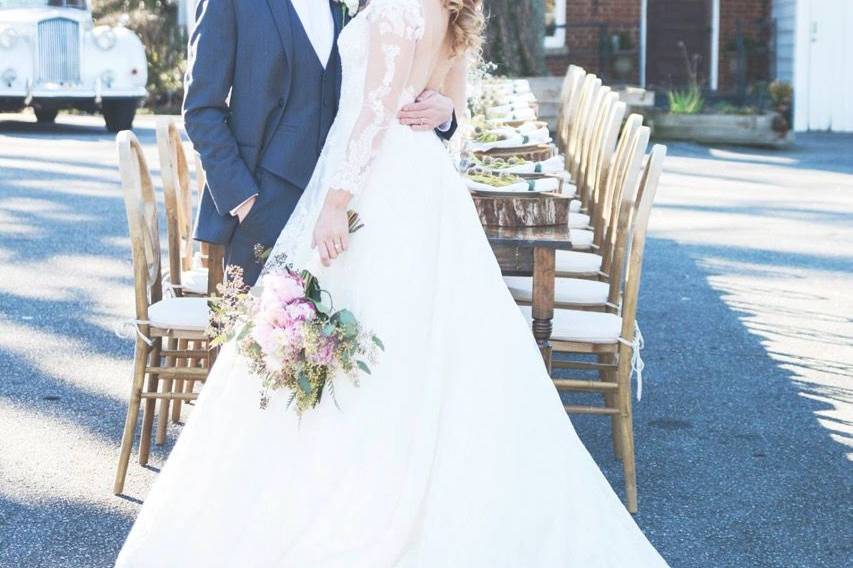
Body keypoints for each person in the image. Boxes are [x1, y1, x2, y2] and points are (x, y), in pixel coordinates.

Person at [116, 1, 669, 565]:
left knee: (372, 345)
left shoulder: (387, 7)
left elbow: (375, 113)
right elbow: (206, 107)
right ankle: (357, 479)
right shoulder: (433, 13)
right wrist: (249, 197)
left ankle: (351, 495)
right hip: (333, 191)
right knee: (399, 348)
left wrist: (339, 199)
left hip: (368, 190)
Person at [185, 0, 457, 285]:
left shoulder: (356, 4)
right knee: (259, 325)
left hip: (347, 208)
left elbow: (386, 87)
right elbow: (200, 109)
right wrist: (243, 200)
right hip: (263, 205)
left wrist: (444, 112)